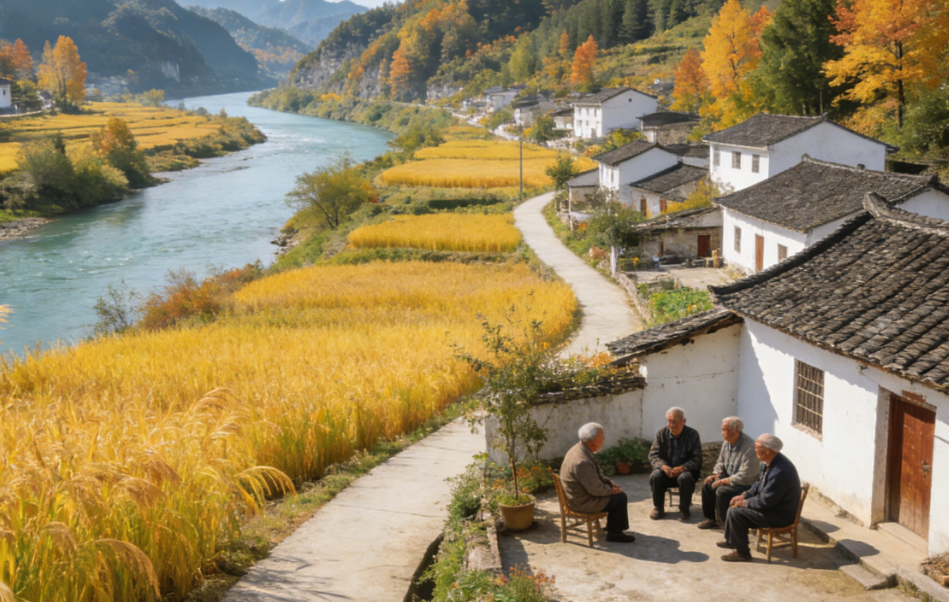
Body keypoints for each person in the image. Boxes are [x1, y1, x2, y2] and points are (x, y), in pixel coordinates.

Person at [719, 434, 801, 562]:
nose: (754, 450)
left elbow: (766, 501)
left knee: (736, 513)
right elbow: (757, 485)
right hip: (771, 508)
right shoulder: (768, 462)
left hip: (780, 515)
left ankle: (742, 553)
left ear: (767, 450)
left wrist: (745, 503)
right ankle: (732, 541)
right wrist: (744, 496)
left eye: (757, 447)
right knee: (734, 505)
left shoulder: (780, 470)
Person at [560, 422, 636, 543]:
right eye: (602, 436)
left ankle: (613, 526)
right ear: (592, 440)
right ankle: (615, 533)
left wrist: (609, 482)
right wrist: (611, 490)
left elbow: (595, 475)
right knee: (620, 497)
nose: (604, 439)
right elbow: (595, 489)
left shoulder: (580, 449)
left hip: (580, 494)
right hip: (582, 502)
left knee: (615, 493)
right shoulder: (582, 461)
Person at [697, 416, 760, 530]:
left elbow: (747, 474)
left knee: (722, 491)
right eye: (722, 429)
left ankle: (726, 526)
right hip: (728, 479)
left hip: (744, 484)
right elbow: (721, 461)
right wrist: (716, 474)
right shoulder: (727, 443)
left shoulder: (750, 446)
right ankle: (711, 519)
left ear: (736, 431)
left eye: (725, 430)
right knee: (708, 485)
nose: (722, 433)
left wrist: (725, 481)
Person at [648, 407, 702, 521]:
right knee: (655, 476)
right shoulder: (661, 433)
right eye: (669, 421)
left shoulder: (693, 435)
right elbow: (654, 455)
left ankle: (684, 509)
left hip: (686, 471)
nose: (672, 425)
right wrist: (663, 466)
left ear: (684, 421)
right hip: (666, 471)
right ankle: (658, 508)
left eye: (675, 422)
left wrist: (683, 467)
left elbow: (697, 458)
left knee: (685, 477)